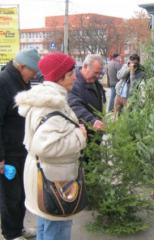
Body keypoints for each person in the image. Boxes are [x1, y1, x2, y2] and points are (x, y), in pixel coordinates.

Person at [15, 52, 87, 240]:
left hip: (45, 176)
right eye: (71, 74)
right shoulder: (52, 104)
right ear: (60, 77)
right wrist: (80, 136)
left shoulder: (45, 98)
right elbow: (45, 147)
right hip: (54, 180)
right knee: (57, 230)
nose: (75, 77)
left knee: (46, 227)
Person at [0, 49, 40, 240]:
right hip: (8, 152)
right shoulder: (3, 82)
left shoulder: (23, 82)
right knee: (10, 196)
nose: (34, 75)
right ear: (22, 66)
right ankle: (10, 233)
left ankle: (18, 228)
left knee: (23, 193)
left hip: (23, 149)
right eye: (32, 71)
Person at [68, 54, 106, 132]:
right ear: (85, 66)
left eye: (99, 73)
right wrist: (92, 121)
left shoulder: (95, 82)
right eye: (95, 73)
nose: (98, 76)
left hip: (95, 131)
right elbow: (75, 106)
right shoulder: (74, 84)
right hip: (83, 132)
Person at [114, 53, 145, 118]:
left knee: (126, 118)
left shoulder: (141, 73)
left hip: (128, 98)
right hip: (118, 95)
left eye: (134, 64)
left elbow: (133, 87)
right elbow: (118, 76)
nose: (132, 65)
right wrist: (128, 69)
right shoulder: (126, 66)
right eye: (130, 63)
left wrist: (132, 73)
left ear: (138, 63)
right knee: (115, 117)